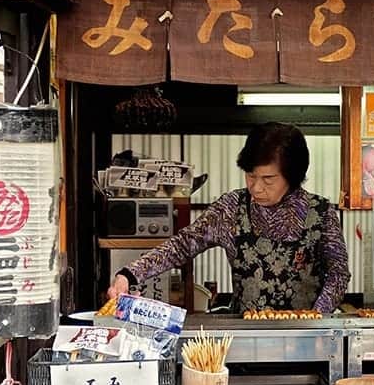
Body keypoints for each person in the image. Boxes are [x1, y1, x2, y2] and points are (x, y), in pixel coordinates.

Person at [108, 122, 351, 313]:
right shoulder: (232, 208)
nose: (256, 188)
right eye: (250, 176)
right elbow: (182, 245)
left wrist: (317, 317)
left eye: (268, 179)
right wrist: (129, 274)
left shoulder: (321, 213)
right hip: (246, 339)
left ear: (293, 175)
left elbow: (338, 274)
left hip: (308, 342)